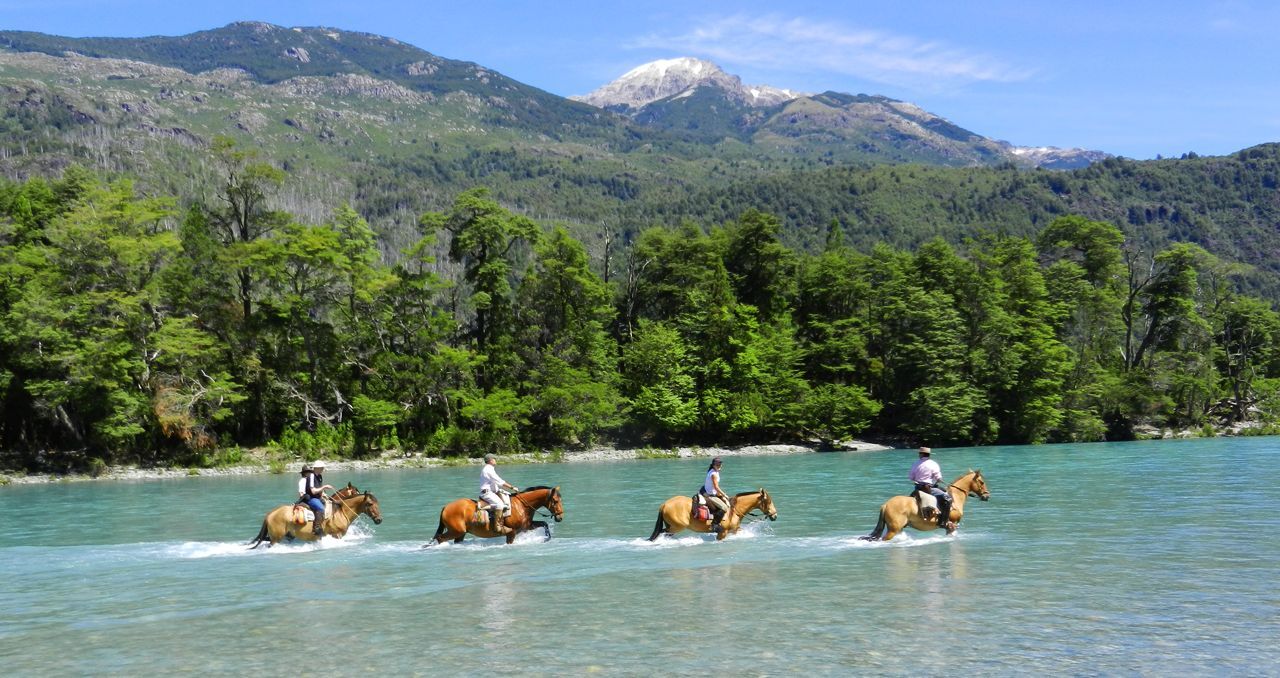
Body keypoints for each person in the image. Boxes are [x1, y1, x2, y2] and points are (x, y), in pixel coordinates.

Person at [909, 447, 953, 533]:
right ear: (928, 455)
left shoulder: (915, 464)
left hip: (917, 488)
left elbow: (911, 477)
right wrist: (937, 479)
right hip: (928, 488)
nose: (919, 455)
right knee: (948, 498)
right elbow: (938, 478)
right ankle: (943, 522)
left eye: (919, 453)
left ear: (921, 454)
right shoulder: (933, 464)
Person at [479, 453, 518, 535]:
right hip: (487, 493)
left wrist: (501, 491)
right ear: (490, 460)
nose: (495, 460)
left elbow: (494, 484)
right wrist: (512, 487)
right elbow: (499, 481)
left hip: (492, 492)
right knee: (500, 504)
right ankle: (497, 527)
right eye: (494, 459)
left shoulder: (490, 469)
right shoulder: (488, 469)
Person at [297, 461, 334, 536]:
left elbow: (318, 487)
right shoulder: (311, 476)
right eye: (321, 468)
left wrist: (323, 493)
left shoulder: (319, 476)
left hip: (317, 497)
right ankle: (316, 528)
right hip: (311, 498)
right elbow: (313, 491)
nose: (323, 469)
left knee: (329, 504)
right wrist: (324, 487)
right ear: (317, 468)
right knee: (320, 508)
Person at [700, 457, 730, 533]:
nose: (719, 466)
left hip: (710, 491)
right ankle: (715, 524)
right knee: (724, 507)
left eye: (720, 464)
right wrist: (724, 494)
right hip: (710, 494)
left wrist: (720, 494)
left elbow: (713, 487)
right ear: (713, 465)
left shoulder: (714, 471)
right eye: (717, 464)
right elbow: (716, 487)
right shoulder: (713, 474)